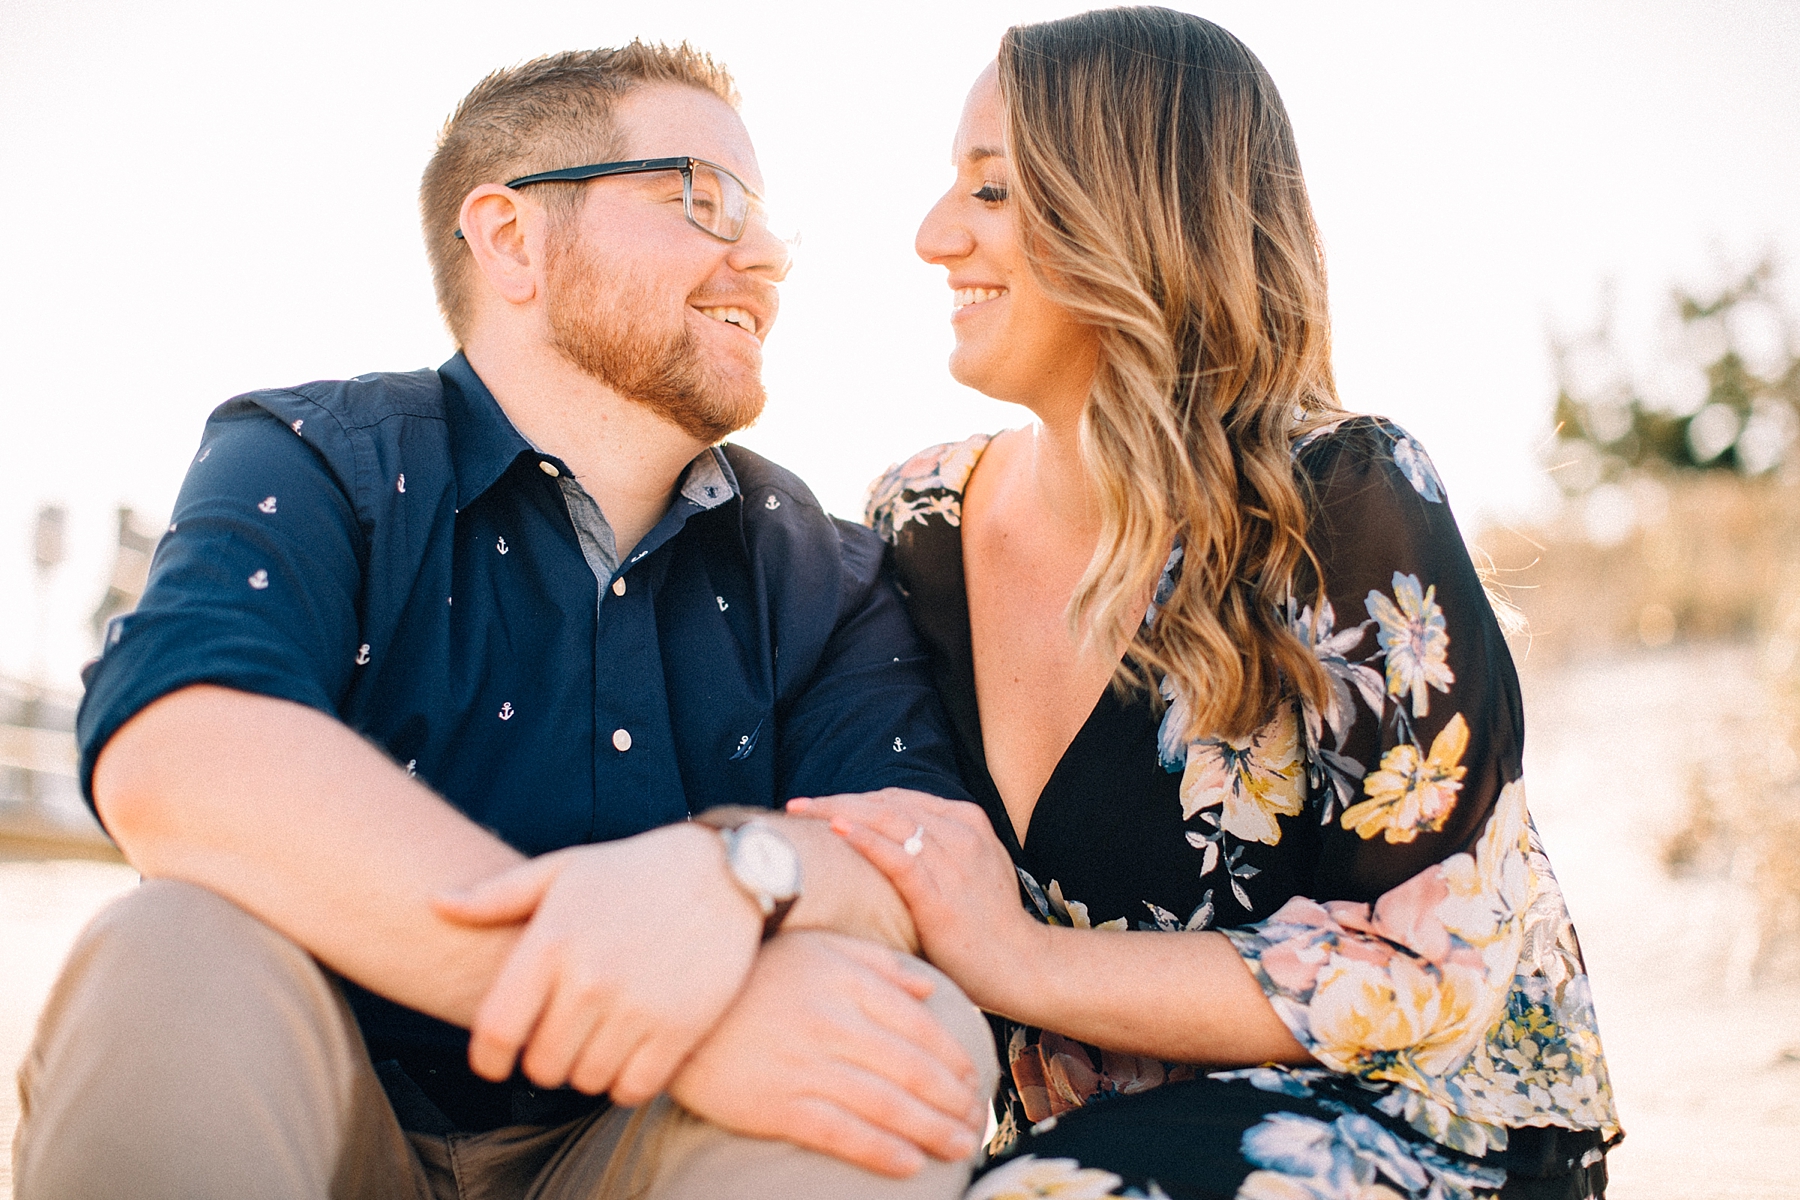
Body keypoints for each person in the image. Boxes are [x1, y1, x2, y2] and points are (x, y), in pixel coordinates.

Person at [13, 42, 998, 1200]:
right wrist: (647, 1011)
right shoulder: (321, 457)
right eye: (705, 197)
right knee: (169, 950)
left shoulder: (822, 566)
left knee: (910, 1033)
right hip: (327, 1112)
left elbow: (922, 857)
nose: (768, 255)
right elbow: (181, 756)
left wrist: (739, 872)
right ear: (511, 237)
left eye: (768, 218)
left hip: (656, 1149)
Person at [793, 9, 1622, 1200]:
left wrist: (1016, 960)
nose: (933, 236)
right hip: (1064, 1157)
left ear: (1129, 216)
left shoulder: (1345, 498)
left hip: (1405, 1129)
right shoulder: (913, 520)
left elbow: (1430, 967)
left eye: (991, 193)